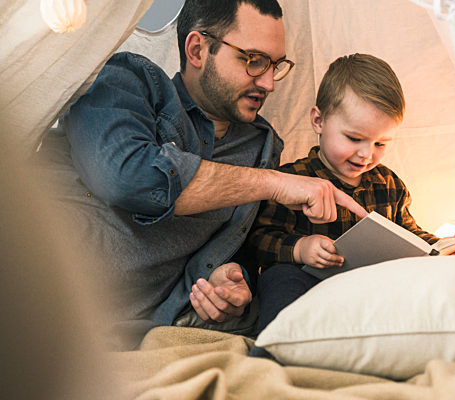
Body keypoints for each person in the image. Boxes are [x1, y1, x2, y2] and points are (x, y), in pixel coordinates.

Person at [35, 0, 367, 350]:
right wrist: (276, 183)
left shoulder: (261, 146)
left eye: (276, 65)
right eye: (253, 61)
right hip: (36, 299)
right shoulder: (127, 81)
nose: (269, 83)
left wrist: (229, 281)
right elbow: (126, 177)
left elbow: (237, 244)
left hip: (140, 333)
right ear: (197, 49)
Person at [246, 53, 440, 335]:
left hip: (370, 291)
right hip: (311, 288)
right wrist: (302, 249)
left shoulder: (388, 184)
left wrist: (442, 246)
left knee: (421, 283)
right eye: (353, 138)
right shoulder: (291, 180)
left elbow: (410, 235)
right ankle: (278, 350)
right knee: (280, 278)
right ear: (318, 121)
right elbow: (259, 240)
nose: (366, 154)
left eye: (380, 143)